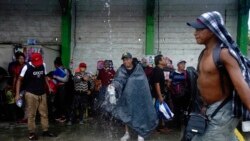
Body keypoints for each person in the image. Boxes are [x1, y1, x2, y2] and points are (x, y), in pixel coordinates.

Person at [186, 11, 250, 141]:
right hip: (209, 109)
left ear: (211, 30)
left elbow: (240, 85)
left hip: (223, 111)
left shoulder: (224, 54)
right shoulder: (204, 53)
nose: (195, 33)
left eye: (199, 29)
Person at [105, 52, 158, 141]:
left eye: (127, 59)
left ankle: (140, 133)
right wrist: (113, 86)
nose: (125, 61)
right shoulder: (121, 70)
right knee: (126, 114)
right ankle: (127, 133)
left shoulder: (138, 69)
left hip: (139, 96)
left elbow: (143, 82)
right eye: (124, 60)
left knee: (140, 114)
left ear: (131, 59)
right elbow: (118, 80)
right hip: (126, 96)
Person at [15, 53, 56, 140]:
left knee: (44, 113)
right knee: (31, 114)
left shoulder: (43, 64)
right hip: (31, 94)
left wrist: (49, 87)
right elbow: (19, 80)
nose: (38, 65)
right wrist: (17, 94)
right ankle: (31, 133)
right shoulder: (26, 67)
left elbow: (45, 77)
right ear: (31, 60)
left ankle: (45, 131)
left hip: (42, 93)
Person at [151, 55, 171, 133]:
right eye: (163, 59)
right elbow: (157, 84)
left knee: (161, 111)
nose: (165, 60)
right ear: (159, 61)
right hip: (157, 96)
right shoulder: (157, 70)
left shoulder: (160, 70)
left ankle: (161, 127)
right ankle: (157, 128)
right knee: (158, 112)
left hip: (160, 95)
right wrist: (160, 96)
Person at [169, 60, 190, 129]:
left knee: (183, 109)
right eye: (182, 64)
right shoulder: (172, 73)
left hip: (183, 95)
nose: (184, 65)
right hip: (175, 95)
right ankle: (177, 125)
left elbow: (189, 83)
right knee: (176, 109)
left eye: (184, 64)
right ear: (178, 65)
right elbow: (169, 83)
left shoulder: (186, 73)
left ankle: (183, 123)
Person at [53, 57, 69, 123]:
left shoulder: (65, 70)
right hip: (58, 88)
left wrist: (56, 77)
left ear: (56, 64)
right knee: (58, 102)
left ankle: (64, 116)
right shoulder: (56, 70)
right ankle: (60, 116)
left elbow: (66, 79)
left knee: (62, 102)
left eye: (55, 65)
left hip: (63, 87)